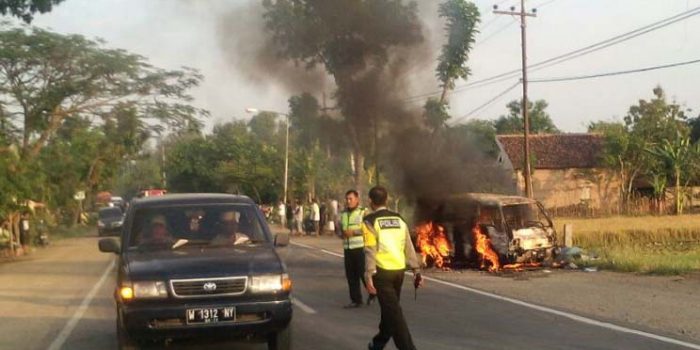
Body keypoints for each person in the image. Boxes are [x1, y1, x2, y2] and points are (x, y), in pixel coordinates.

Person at [363, 186, 422, 350]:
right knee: (391, 311)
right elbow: (409, 247)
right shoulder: (399, 219)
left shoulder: (369, 221)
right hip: (399, 272)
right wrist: (416, 270)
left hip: (382, 274)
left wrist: (368, 276)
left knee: (394, 315)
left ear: (370, 201)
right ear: (387, 199)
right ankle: (377, 344)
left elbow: (370, 250)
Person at [340, 189, 367, 308]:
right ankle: (356, 300)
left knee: (363, 273)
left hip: (360, 248)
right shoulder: (344, 213)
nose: (348, 201)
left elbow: (368, 230)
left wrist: (354, 232)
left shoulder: (363, 212)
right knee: (351, 275)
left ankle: (373, 292)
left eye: (351, 198)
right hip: (348, 248)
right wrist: (342, 233)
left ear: (357, 199)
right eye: (347, 199)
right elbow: (342, 229)